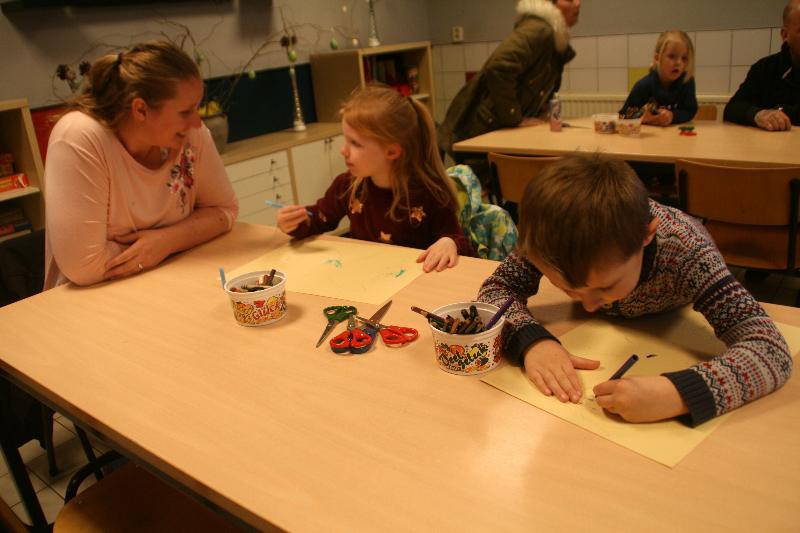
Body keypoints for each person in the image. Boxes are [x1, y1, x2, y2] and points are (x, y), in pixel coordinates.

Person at [477, 153, 792, 426]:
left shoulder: (688, 251)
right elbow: (497, 290)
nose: (589, 307)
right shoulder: (549, 239)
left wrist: (679, 393)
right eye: (569, 290)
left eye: (606, 287)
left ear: (646, 236)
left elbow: (770, 349)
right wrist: (532, 341)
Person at [44, 40, 238, 290]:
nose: (197, 123)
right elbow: (83, 266)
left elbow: (225, 211)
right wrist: (189, 233)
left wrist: (165, 241)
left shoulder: (190, 135)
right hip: (89, 298)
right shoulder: (80, 136)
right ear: (141, 110)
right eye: (185, 112)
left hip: (169, 282)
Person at [276, 85, 472, 272]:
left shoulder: (429, 193)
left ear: (392, 151)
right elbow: (318, 219)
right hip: (367, 279)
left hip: (415, 284)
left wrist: (449, 242)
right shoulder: (348, 185)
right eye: (345, 140)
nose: (343, 151)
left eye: (355, 143)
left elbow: (459, 242)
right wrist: (295, 222)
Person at [437, 0, 581, 160]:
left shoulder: (550, 33)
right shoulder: (538, 29)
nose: (578, 3)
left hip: (490, 132)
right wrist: (514, 118)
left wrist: (541, 111)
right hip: (482, 133)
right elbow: (499, 67)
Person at [723, 0, 800, 131]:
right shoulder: (765, 68)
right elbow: (732, 109)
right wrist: (757, 114)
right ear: (785, 35)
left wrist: (781, 110)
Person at [620, 30, 697, 126]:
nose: (678, 62)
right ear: (657, 58)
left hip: (676, 133)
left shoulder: (687, 82)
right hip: (650, 134)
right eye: (672, 56)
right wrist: (645, 118)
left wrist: (673, 116)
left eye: (684, 58)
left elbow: (690, 111)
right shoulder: (643, 85)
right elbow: (623, 115)